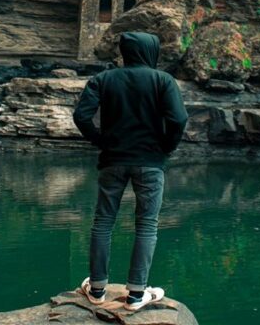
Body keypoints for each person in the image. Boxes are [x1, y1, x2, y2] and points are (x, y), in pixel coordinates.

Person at [72, 31, 188, 311]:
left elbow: (81, 116)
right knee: (146, 224)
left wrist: (100, 140)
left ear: (124, 51)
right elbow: (179, 119)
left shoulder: (103, 79)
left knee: (103, 222)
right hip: (150, 162)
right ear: (151, 51)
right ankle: (136, 295)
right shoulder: (163, 80)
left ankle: (96, 289)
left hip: (112, 160)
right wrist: (166, 147)